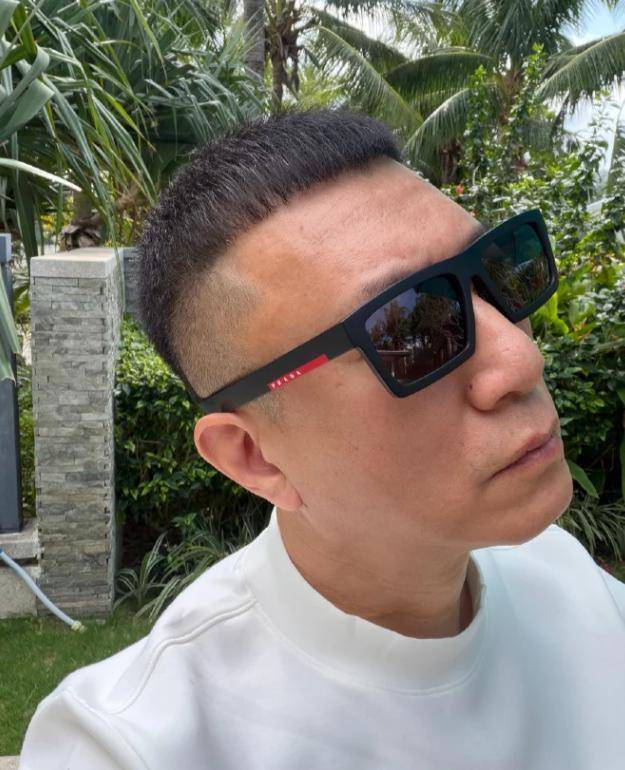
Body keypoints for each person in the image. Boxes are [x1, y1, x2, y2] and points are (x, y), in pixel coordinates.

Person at [20, 108, 625, 770]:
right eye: (411, 330)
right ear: (253, 456)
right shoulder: (132, 746)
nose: (520, 360)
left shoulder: (569, 584)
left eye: (497, 272)